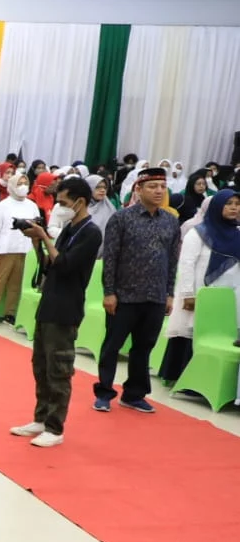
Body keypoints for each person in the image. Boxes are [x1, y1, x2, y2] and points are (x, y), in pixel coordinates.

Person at [11, 176, 102, 447]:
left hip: (67, 308)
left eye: (62, 201)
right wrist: (37, 242)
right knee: (41, 365)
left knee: (59, 369)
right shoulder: (68, 229)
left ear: (80, 201)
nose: (59, 206)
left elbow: (64, 264)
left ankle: (55, 427)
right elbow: (49, 266)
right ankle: (40, 418)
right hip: (49, 303)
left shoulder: (90, 233)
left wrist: (44, 237)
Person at [94, 167, 180, 414]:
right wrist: (109, 292)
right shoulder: (121, 218)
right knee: (112, 346)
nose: (159, 191)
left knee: (143, 348)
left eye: (162, 187)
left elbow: (172, 260)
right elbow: (110, 258)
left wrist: (169, 293)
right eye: (152, 186)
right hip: (124, 296)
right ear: (138, 189)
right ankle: (104, 392)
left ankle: (134, 394)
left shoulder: (171, 221)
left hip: (155, 296)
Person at [162, 189, 240, 384]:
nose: (234, 208)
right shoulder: (198, 233)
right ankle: (182, 379)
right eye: (228, 203)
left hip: (226, 295)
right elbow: (186, 264)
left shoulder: (237, 234)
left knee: (217, 334)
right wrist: (188, 294)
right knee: (191, 331)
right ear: (216, 206)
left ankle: (206, 381)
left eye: (237, 204)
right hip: (198, 292)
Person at [0, 173, 42, 327]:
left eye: (25, 183)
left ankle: (10, 313)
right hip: (5, 250)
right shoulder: (2, 206)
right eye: (19, 183)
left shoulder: (32, 205)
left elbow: (37, 228)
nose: (23, 187)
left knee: (16, 284)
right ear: (12, 186)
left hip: (25, 251)